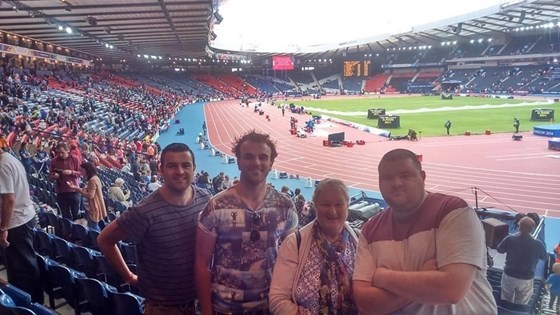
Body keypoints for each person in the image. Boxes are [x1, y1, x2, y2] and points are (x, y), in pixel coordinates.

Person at [353, 148, 496, 314]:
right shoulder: (370, 230)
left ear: (422, 177)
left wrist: (383, 277)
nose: (396, 183)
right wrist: (423, 276)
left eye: (405, 175)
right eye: (387, 178)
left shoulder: (454, 212)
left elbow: (451, 289)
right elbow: (365, 304)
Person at [97, 143, 211, 315]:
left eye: (186, 165)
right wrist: (128, 276)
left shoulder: (206, 200)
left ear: (194, 168)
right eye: (172, 166)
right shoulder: (144, 211)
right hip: (164, 307)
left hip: (201, 300)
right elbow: (104, 240)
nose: (180, 171)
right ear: (161, 169)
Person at [195, 130, 298, 315]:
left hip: (270, 307)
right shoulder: (217, 206)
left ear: (271, 162)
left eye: (263, 157)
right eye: (249, 157)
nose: (256, 162)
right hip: (225, 308)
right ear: (239, 161)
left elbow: (292, 260)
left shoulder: (285, 206)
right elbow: (201, 263)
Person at [269, 179, 359, 314]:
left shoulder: (360, 241)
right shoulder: (294, 244)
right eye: (325, 204)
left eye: (339, 204)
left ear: (348, 206)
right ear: (315, 206)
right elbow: (278, 299)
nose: (333, 211)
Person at [0, 147, 43, 303]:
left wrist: (3, 228)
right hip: (22, 218)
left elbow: (9, 200)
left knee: (22, 269)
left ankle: (30, 304)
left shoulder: (3, 165)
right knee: (24, 265)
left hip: (16, 223)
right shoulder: (10, 158)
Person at [497, 216, 548, 305]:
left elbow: (500, 250)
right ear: (533, 229)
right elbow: (544, 257)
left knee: (505, 301)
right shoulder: (538, 244)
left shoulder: (509, 239)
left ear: (519, 226)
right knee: (521, 304)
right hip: (526, 279)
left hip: (509, 276)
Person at [68, 162, 107, 231]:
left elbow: (90, 195)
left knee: (93, 227)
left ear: (87, 170)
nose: (81, 172)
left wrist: (78, 189)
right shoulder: (92, 179)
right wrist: (75, 187)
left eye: (82, 170)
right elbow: (87, 190)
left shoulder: (92, 180)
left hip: (93, 207)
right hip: (89, 207)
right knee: (92, 225)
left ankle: (97, 240)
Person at [49, 142, 82, 220]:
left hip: (73, 190)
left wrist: (71, 172)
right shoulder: (54, 161)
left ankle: (76, 231)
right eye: (58, 153)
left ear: (67, 151)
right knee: (65, 215)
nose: (60, 155)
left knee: (76, 214)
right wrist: (54, 176)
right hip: (61, 191)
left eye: (62, 153)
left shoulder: (75, 159)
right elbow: (50, 174)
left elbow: (81, 173)